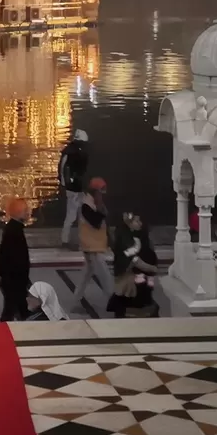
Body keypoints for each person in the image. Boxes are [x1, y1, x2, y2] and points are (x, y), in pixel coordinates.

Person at [72, 177, 113, 312]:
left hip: (94, 245)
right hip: (91, 247)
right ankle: (113, 301)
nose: (103, 194)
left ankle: (75, 302)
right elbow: (96, 222)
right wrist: (101, 209)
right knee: (105, 276)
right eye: (101, 191)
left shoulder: (93, 203)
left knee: (86, 275)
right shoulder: (86, 205)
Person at [108, 213, 160, 318]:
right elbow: (135, 260)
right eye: (137, 221)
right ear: (129, 224)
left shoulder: (139, 237)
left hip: (139, 280)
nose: (140, 223)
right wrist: (152, 268)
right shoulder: (125, 239)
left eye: (140, 221)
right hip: (128, 281)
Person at [0, 198, 32, 321]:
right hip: (14, 280)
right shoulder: (15, 231)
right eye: (25, 210)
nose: (28, 213)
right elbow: (15, 257)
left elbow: (3, 252)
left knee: (17, 309)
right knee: (10, 310)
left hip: (13, 279)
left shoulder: (13, 228)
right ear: (18, 212)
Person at [57, 129, 90, 247]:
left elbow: (62, 171)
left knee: (75, 214)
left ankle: (70, 239)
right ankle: (66, 240)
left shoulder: (68, 152)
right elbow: (72, 172)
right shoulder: (75, 153)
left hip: (73, 188)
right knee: (73, 215)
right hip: (74, 189)